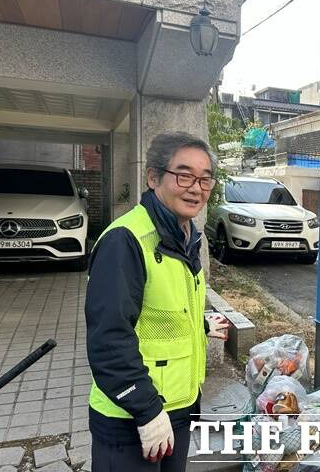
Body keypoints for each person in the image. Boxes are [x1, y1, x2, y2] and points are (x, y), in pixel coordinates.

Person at [85, 132, 229, 471]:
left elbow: (161, 309)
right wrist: (146, 410)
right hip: (132, 419)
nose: (196, 187)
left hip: (178, 408)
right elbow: (108, 339)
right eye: (184, 175)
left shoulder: (186, 235)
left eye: (205, 179)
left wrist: (202, 325)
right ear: (153, 177)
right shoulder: (126, 241)